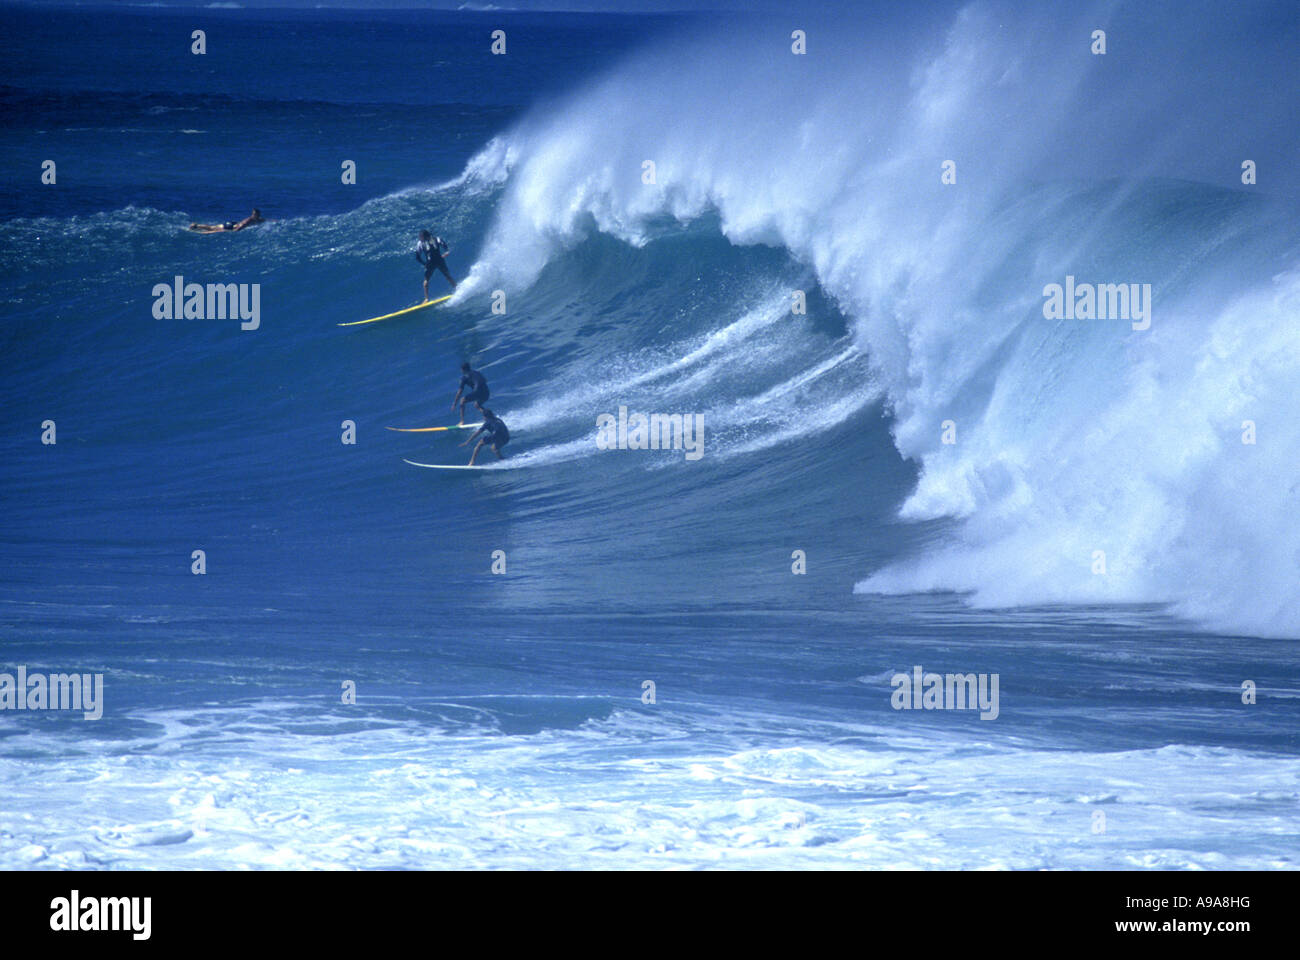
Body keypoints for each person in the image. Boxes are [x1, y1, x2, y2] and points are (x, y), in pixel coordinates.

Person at [416, 228, 456, 299]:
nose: (420, 238)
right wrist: (424, 264)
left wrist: (446, 252)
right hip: (431, 263)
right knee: (426, 282)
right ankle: (426, 299)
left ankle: (457, 289)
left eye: (421, 237)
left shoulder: (436, 239)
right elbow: (417, 257)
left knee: (448, 277)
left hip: (439, 261)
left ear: (425, 236)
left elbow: (444, 245)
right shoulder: (420, 243)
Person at [190, 209, 265, 233]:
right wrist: (223, 230)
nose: (253, 216)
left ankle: (197, 225)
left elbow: (265, 220)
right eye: (253, 214)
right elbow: (237, 229)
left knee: (213, 227)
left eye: (255, 215)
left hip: (234, 223)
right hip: (231, 226)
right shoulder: (248, 221)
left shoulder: (259, 219)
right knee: (213, 228)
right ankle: (196, 227)